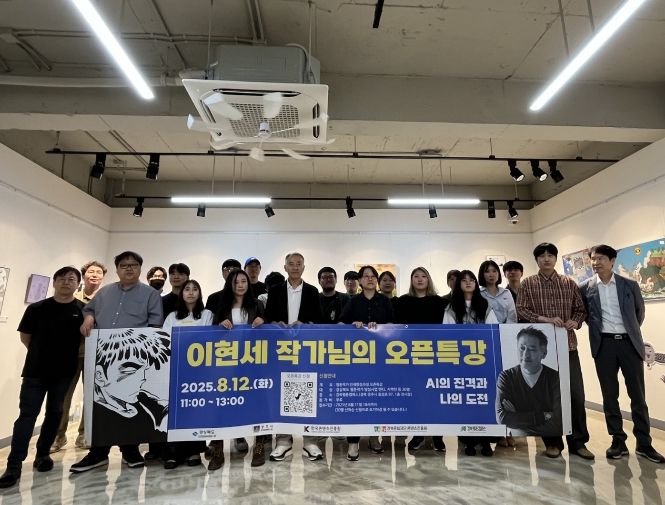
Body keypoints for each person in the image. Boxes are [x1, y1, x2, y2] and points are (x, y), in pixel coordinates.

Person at [70, 251, 163, 473]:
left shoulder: (150, 294)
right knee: (101, 404)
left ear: (140, 268)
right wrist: (89, 317)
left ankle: (130, 450)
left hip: (132, 359)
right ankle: (98, 453)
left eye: (133, 265)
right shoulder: (105, 292)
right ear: (117, 269)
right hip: (102, 355)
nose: (129, 268)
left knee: (130, 403)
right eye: (124, 265)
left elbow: (155, 325)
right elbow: (89, 309)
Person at [579, 244, 665, 463]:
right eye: (593, 259)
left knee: (638, 396)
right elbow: (588, 316)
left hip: (629, 344)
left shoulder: (630, 285)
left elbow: (639, 313)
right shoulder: (585, 288)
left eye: (600, 258)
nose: (596, 263)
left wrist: (628, 332)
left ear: (612, 261)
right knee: (610, 396)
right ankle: (618, 441)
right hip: (604, 346)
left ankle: (644, 443)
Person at [0, 267, 84, 489]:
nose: (66, 282)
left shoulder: (82, 310)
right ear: (54, 282)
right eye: (62, 278)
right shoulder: (37, 308)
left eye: (71, 279)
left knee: (55, 413)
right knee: (27, 416)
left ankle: (43, 454)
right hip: (35, 371)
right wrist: (41, 354)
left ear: (78, 284)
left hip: (64, 372)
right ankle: (14, 465)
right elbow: (25, 337)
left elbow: (83, 339)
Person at [516, 242, 593, 460]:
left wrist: (575, 321)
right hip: (541, 351)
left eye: (550, 255)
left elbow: (580, 310)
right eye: (542, 256)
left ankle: (578, 443)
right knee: (545, 398)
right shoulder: (528, 284)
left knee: (576, 396)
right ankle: (552, 443)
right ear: (536, 260)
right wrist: (543, 319)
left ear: (556, 258)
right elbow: (521, 309)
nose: (546, 259)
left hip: (568, 347)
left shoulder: (569, 283)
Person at [265, 252, 324, 463]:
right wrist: (276, 324)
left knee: (307, 390)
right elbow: (268, 319)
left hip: (305, 350)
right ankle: (283, 440)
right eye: (291, 264)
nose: (295, 267)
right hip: (281, 350)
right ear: (285, 267)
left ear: (304, 267)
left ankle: (310, 440)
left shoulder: (312, 291)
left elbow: (319, 321)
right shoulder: (275, 290)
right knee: (282, 392)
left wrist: (306, 325)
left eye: (299, 264)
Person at [211, 270, 266, 468]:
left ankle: (259, 446)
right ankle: (218, 449)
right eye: (236, 282)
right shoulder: (221, 305)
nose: (240, 285)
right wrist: (219, 325)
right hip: (227, 363)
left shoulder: (257, 304)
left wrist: (263, 322)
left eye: (244, 281)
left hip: (253, 362)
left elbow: (268, 333)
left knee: (257, 403)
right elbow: (210, 334)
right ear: (230, 285)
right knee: (222, 404)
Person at [340, 265, 395, 461]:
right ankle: (353, 442)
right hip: (356, 360)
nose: (370, 279)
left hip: (380, 358)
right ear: (360, 281)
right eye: (366, 276)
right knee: (355, 400)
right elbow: (340, 324)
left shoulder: (385, 301)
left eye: (373, 276)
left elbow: (393, 325)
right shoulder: (353, 301)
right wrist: (352, 326)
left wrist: (381, 327)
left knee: (376, 399)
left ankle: (373, 437)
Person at [51, 260, 107, 453]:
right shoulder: (71, 297)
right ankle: (58, 435)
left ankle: (84, 433)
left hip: (96, 353)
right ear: (83, 276)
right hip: (70, 354)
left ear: (103, 277)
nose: (94, 275)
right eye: (91, 271)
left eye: (98, 272)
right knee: (63, 395)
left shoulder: (107, 298)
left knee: (92, 395)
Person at [442, 269, 498, 456]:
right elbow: (446, 334)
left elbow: (493, 330)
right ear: (458, 284)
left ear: (476, 283)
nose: (468, 283)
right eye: (464, 280)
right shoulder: (451, 308)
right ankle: (468, 442)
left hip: (482, 361)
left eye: (471, 280)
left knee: (483, 400)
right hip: (460, 362)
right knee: (465, 403)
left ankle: (486, 441)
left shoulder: (484, 305)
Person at [162, 279, 213, 469]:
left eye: (195, 289)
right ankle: (173, 452)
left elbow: (209, 339)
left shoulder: (207, 315)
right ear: (181, 293)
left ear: (200, 293)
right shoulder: (172, 316)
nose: (191, 293)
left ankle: (194, 451)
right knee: (175, 411)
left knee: (195, 410)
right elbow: (165, 340)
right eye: (187, 289)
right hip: (176, 369)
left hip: (198, 371)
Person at [396, 267, 446, 453]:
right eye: (416, 276)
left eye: (423, 276)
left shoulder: (439, 302)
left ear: (428, 279)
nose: (420, 279)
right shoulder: (403, 301)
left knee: (435, 395)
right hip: (410, 354)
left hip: (435, 354)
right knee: (416, 395)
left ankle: (438, 437)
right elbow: (398, 327)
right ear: (411, 280)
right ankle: (418, 434)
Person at [496, 327, 563, 436]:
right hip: (522, 437)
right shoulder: (506, 377)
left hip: (546, 438)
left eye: (532, 349)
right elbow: (503, 418)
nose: (525, 354)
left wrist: (518, 423)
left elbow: (558, 423)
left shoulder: (555, 378)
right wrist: (544, 416)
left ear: (544, 353)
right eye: (522, 348)